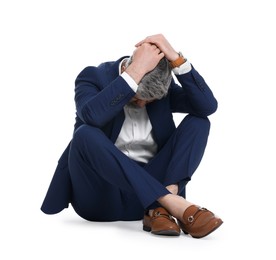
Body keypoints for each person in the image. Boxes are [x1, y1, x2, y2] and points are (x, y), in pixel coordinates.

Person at [41, 34, 223, 238]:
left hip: (145, 202)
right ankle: (172, 203)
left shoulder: (163, 86)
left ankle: (163, 199)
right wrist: (136, 70)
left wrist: (176, 59)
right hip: (100, 198)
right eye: (137, 98)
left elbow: (207, 106)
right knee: (84, 134)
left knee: (199, 122)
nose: (142, 104)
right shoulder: (93, 77)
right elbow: (91, 116)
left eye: (150, 100)